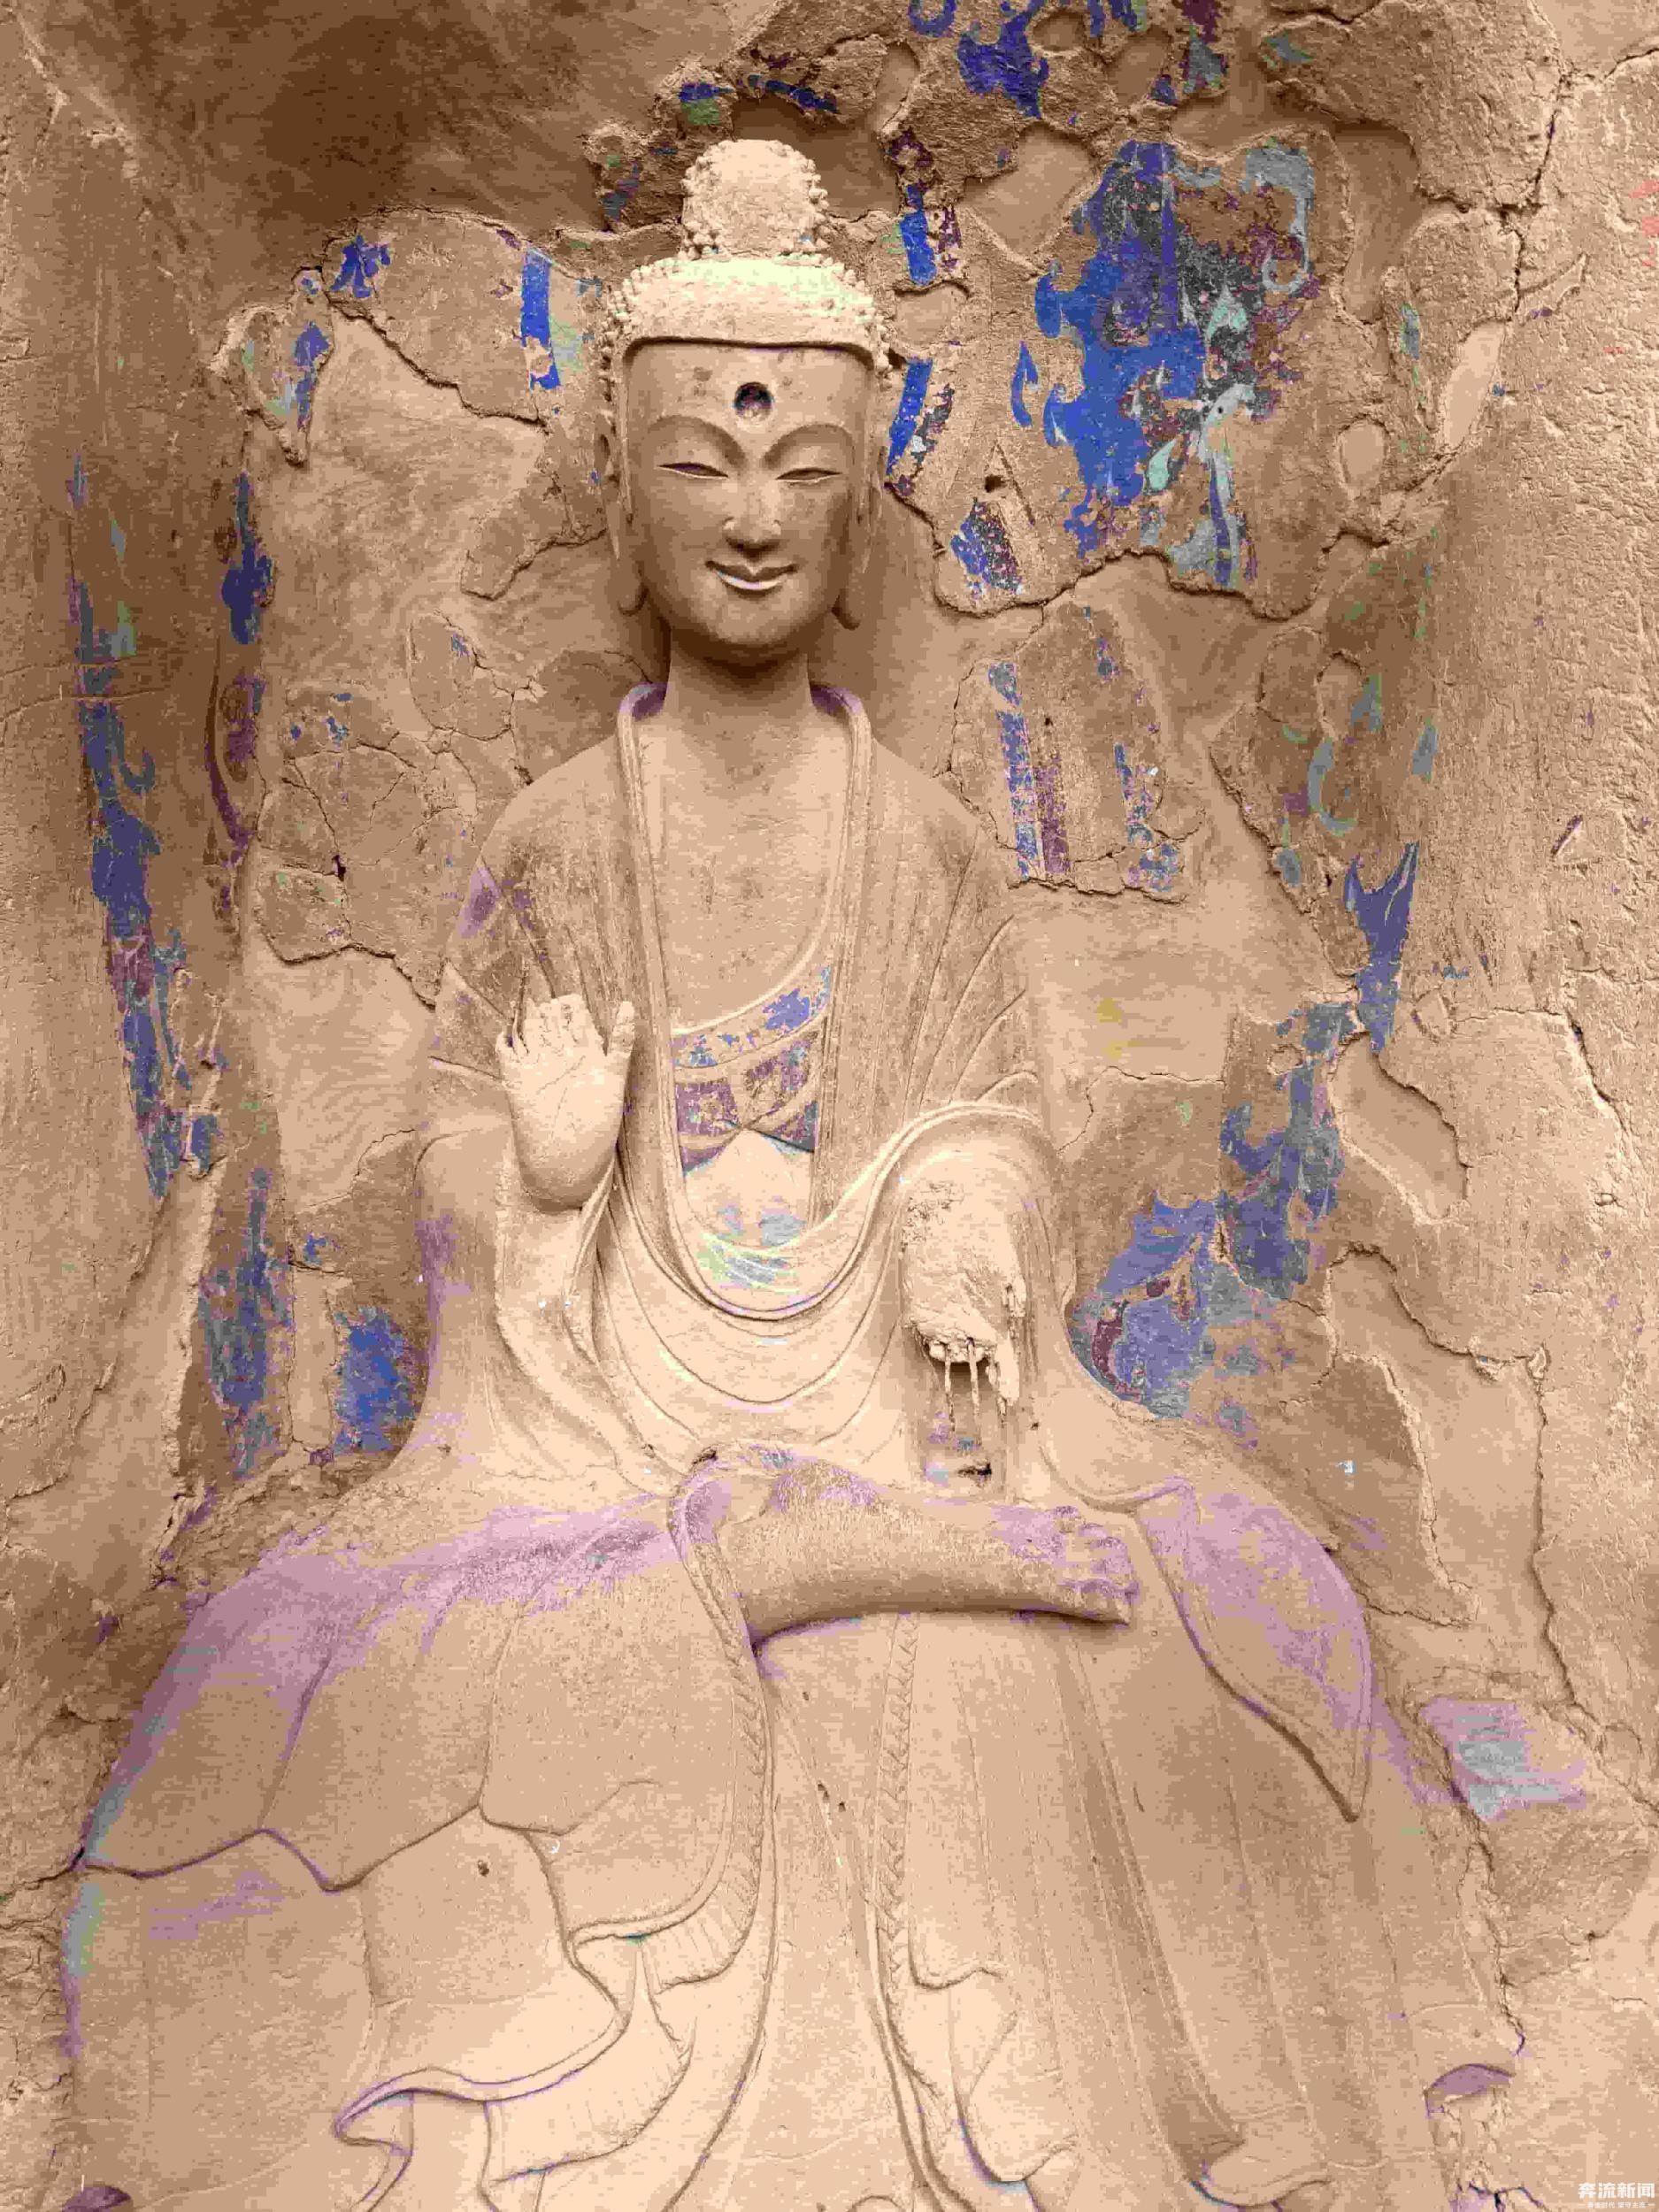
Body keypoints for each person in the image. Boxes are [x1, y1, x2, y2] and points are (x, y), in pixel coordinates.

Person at [64, 141, 1512, 2212]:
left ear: (854, 517)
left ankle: (861, 1559)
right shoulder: (560, 839)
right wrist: (543, 1174)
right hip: (612, 1422)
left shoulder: (914, 838)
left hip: (873, 1393)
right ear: (621, 496)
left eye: (798, 472)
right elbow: (464, 1160)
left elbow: (983, 1114)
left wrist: (961, 1221)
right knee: (311, 1651)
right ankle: (824, 1565)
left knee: (1248, 1580)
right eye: (699, 467)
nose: (749, 515)